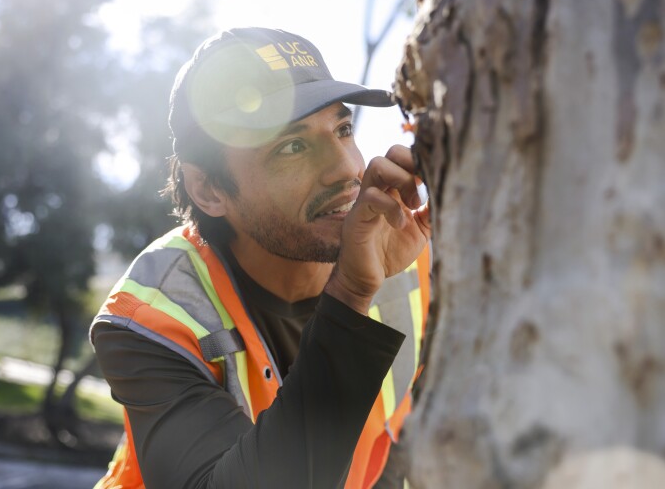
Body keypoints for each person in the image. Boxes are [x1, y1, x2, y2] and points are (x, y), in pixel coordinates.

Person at [90, 27, 431, 489]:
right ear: (209, 189)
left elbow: (404, 445)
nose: (347, 169)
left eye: (343, 128)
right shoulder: (148, 319)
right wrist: (351, 294)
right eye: (291, 146)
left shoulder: (416, 260)